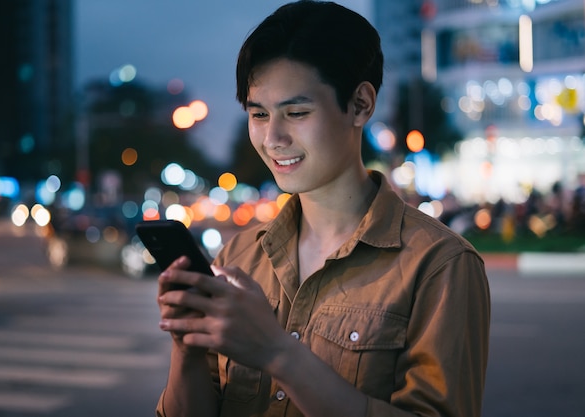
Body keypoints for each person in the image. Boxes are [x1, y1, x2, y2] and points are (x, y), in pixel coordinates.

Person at [155, 1, 491, 416]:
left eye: (296, 112)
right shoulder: (240, 258)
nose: (273, 137)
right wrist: (186, 346)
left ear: (360, 105)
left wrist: (279, 354)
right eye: (259, 114)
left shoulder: (440, 265)